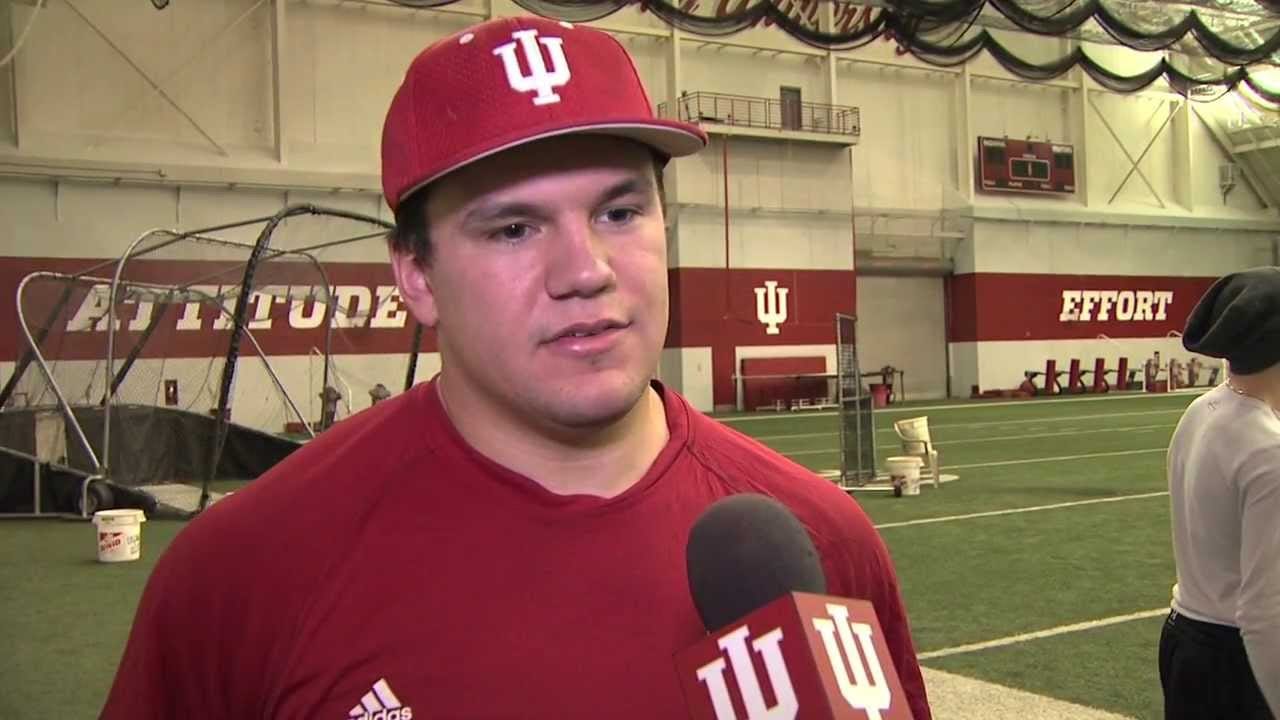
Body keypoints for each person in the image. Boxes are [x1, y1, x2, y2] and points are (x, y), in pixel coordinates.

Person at [100, 16, 932, 720]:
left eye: (620, 209)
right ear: (416, 276)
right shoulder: (239, 578)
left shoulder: (822, 544)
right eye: (513, 229)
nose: (586, 270)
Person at [1161, 266, 1280, 719]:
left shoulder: (1201, 410)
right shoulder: (1269, 450)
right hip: (1236, 662)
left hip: (1183, 638)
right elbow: (1265, 616)